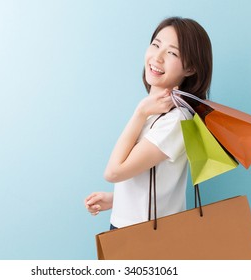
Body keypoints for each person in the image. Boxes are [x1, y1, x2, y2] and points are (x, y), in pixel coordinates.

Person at [84, 17, 213, 230]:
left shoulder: (176, 119)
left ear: (190, 68)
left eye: (172, 53)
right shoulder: (156, 111)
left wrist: (140, 112)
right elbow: (153, 177)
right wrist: (117, 199)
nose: (158, 57)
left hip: (147, 235)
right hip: (130, 227)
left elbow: (113, 172)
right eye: (156, 45)